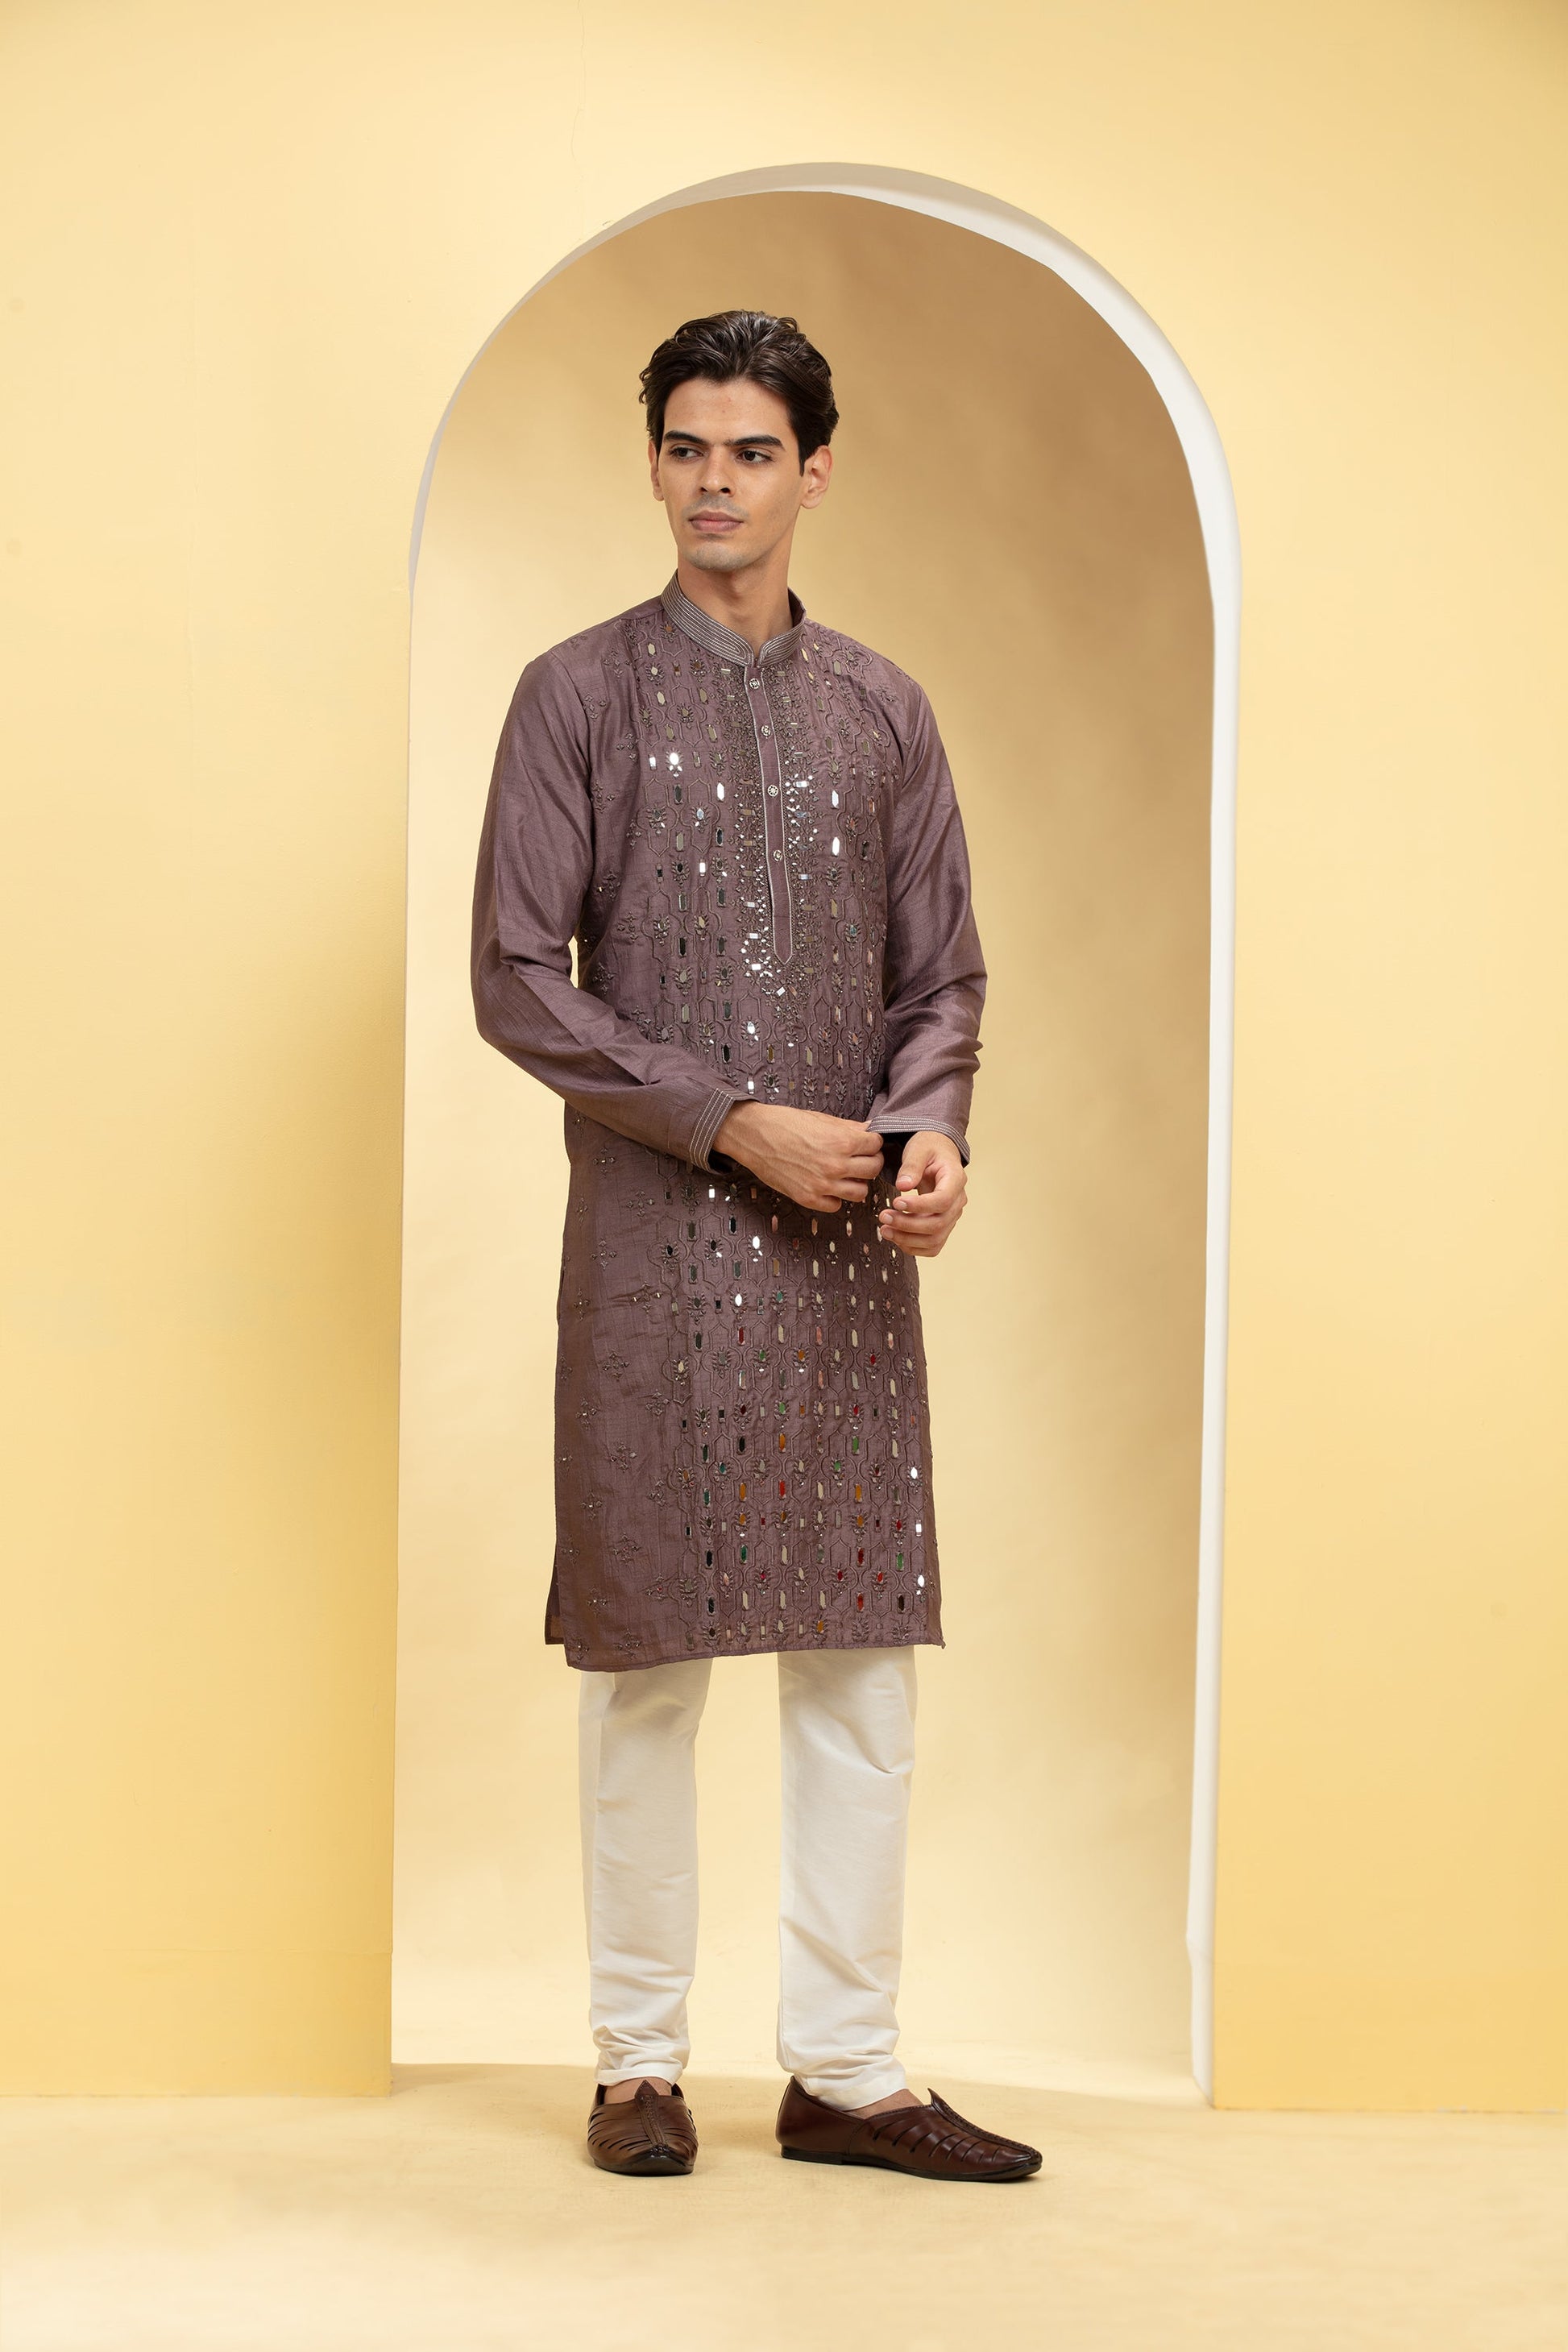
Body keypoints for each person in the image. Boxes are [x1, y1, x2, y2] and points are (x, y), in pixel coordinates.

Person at [471, 310, 1040, 2183]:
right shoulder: (573, 694)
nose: (713, 481)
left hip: (842, 1260)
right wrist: (729, 1117)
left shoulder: (883, 708)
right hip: (654, 1246)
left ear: (815, 469)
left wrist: (930, 1127)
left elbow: (941, 975)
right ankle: (637, 2062)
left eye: (750, 450)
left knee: (858, 1668)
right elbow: (514, 976)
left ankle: (849, 2072)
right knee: (644, 1666)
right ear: (654, 462)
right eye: (685, 447)